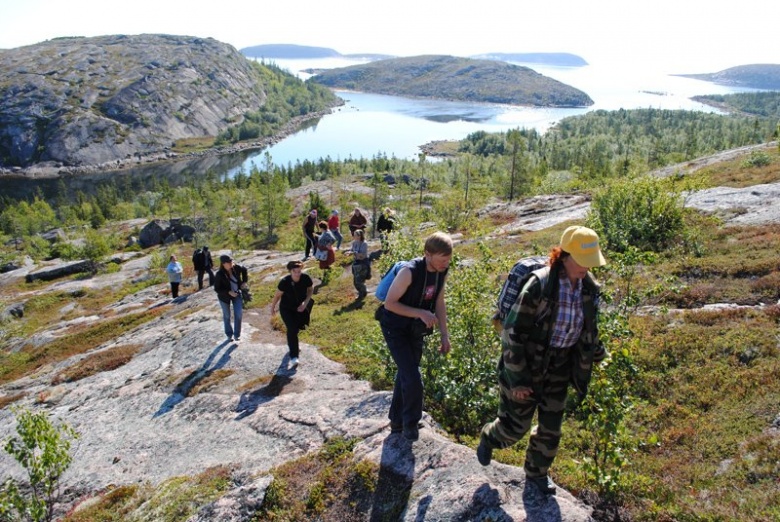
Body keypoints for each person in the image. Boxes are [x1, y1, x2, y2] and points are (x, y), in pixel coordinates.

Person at [476, 225, 608, 496]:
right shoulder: (539, 285)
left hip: (560, 366)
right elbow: (512, 335)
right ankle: (490, 437)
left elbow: (588, 327)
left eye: (591, 262)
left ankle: (537, 475)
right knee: (515, 428)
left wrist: (596, 352)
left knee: (551, 428)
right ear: (565, 256)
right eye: (583, 262)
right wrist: (519, 380)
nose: (587, 268)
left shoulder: (588, 287)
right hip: (527, 364)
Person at [378, 231, 453, 442]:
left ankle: (396, 421)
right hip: (395, 328)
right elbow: (390, 304)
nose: (446, 264)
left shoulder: (441, 272)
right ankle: (410, 423)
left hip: (415, 330)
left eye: (448, 260)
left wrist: (444, 335)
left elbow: (439, 302)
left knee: (406, 373)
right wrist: (420, 313)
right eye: (442, 260)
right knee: (413, 377)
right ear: (428, 254)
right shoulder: (409, 272)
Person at [270, 260, 314, 369]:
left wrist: (305, 303)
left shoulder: (305, 278)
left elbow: (310, 289)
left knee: (298, 327)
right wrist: (272, 308)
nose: (297, 274)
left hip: (300, 307)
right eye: (295, 272)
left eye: (299, 271)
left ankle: (293, 344)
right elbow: (277, 296)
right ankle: (294, 356)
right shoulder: (284, 282)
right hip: (286, 308)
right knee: (292, 329)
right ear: (290, 271)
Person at [214, 254, 248, 342]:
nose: (231, 263)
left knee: (239, 313)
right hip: (224, 298)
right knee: (227, 316)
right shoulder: (219, 274)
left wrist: (244, 281)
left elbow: (244, 270)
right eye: (228, 262)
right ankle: (229, 334)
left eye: (231, 261)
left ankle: (237, 335)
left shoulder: (236, 268)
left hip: (236, 294)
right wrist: (228, 292)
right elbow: (217, 289)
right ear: (223, 264)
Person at [348, 229, 369, 299]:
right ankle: (362, 292)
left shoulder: (364, 244)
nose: (353, 236)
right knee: (355, 282)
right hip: (356, 263)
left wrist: (354, 253)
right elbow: (352, 250)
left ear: (359, 236)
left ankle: (362, 294)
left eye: (355, 235)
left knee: (359, 281)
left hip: (363, 264)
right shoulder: (354, 243)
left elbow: (363, 255)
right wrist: (349, 253)